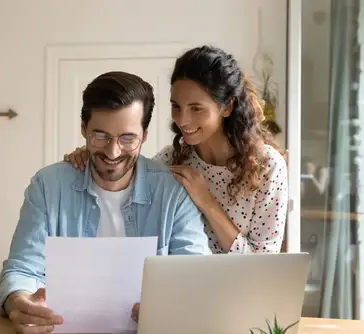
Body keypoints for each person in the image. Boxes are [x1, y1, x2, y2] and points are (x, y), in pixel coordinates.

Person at [0, 71, 211, 333]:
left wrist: (168, 307)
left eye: (127, 138)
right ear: (83, 128)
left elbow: (195, 277)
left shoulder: (173, 193)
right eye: (101, 136)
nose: (113, 151)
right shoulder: (48, 186)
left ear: (144, 134)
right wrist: (19, 302)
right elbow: (22, 269)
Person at [64, 45, 289, 255]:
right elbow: (121, 173)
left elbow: (261, 263)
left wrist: (206, 202)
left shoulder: (267, 167)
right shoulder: (171, 160)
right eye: (176, 106)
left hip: (241, 294)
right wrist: (93, 154)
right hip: (183, 289)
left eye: (196, 108)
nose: (182, 119)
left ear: (227, 107)